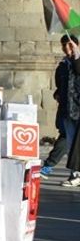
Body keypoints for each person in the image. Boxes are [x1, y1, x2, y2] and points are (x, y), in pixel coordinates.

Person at [43, 34, 79, 179]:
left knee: (74, 143)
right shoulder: (63, 66)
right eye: (64, 45)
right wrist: (58, 94)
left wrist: (76, 55)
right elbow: (60, 86)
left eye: (70, 44)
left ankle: (74, 174)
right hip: (67, 110)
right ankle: (75, 174)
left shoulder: (77, 62)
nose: (66, 48)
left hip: (78, 108)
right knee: (70, 144)